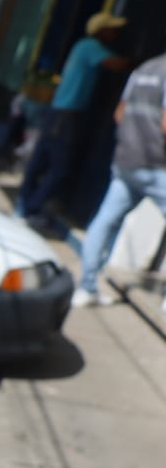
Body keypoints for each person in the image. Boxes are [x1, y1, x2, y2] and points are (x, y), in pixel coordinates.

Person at [17, 13, 130, 232]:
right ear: (101, 30)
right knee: (59, 167)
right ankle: (32, 208)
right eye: (112, 29)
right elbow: (117, 65)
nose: (115, 34)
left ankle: (26, 204)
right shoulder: (90, 46)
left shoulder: (83, 46)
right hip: (65, 115)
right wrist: (139, 62)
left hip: (59, 112)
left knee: (42, 161)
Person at [72, 50, 166, 308]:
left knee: (104, 221)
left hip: (127, 159)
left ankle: (86, 288)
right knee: (106, 221)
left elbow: (119, 114)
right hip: (157, 164)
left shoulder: (143, 69)